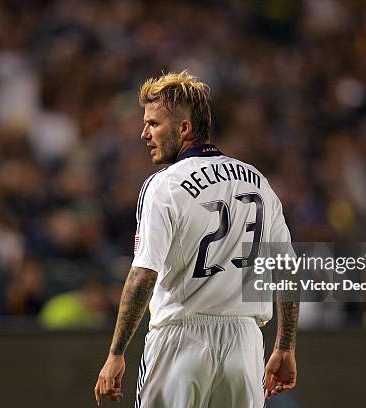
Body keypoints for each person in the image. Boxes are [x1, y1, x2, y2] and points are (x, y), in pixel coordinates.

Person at [94, 71, 299, 407]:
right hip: (245, 344)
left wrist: (116, 353)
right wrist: (285, 346)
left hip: (181, 337)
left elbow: (143, 274)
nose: (144, 133)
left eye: (153, 124)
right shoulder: (258, 182)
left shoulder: (165, 185)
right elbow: (288, 270)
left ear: (184, 128)